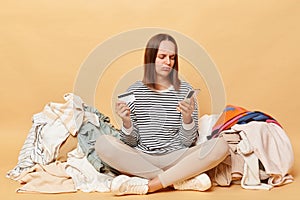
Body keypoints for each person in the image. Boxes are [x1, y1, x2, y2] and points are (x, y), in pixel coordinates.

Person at [95, 33, 229, 195]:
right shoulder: (134, 91)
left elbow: (187, 142)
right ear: (151, 58)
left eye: (172, 57)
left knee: (221, 145)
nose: (168, 62)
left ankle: (151, 185)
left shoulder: (185, 91)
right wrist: (127, 122)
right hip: (142, 158)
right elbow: (130, 142)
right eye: (162, 56)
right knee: (102, 144)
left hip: (178, 158)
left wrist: (187, 119)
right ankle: (178, 181)